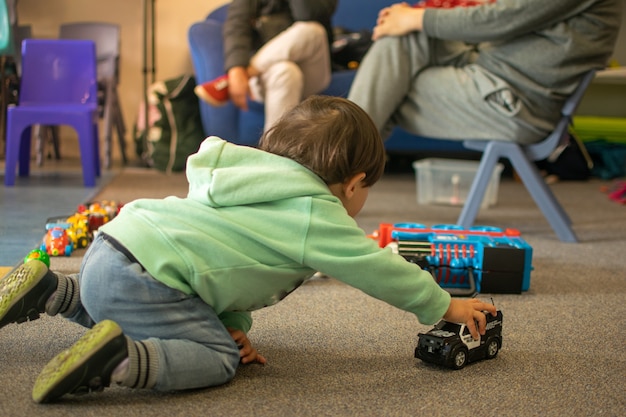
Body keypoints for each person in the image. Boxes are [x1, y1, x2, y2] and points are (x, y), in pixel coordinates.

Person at [0, 95, 497, 404]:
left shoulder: (245, 182)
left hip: (112, 252)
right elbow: (375, 267)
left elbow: (220, 262)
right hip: (146, 280)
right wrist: (444, 304)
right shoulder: (315, 210)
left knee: (150, 310)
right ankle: (118, 361)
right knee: (217, 359)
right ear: (354, 183)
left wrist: (233, 324)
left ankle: (54, 292)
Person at [348, 0, 622, 145]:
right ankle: (341, 166)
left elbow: (502, 19)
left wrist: (416, 17)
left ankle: (333, 172)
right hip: (493, 70)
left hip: (514, 102)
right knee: (399, 41)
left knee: (384, 89)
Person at [194, 0, 337, 131]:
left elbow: (307, 14)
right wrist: (236, 68)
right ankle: (273, 152)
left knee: (313, 30)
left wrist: (242, 73)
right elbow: (236, 27)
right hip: (269, 76)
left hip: (312, 70)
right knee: (285, 71)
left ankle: (245, 74)